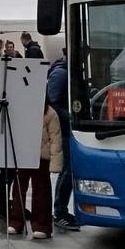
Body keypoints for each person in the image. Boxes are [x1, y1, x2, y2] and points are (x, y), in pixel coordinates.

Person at [7, 103, 63, 239]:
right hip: (23, 155)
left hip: (42, 158)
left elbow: (56, 139)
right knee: (18, 189)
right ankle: (16, 222)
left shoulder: (50, 113)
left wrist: (55, 164)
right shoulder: (23, 109)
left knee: (41, 192)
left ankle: (42, 225)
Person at [48, 53, 79, 231]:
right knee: (67, 170)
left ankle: (61, 211)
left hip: (67, 128)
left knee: (68, 170)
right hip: (65, 129)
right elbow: (54, 103)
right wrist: (72, 117)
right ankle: (59, 212)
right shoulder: (61, 73)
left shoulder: (65, 71)